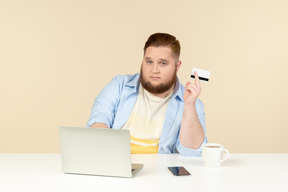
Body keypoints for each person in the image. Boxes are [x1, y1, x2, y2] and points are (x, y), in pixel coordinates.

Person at [87, 33, 207, 157]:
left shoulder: (191, 102)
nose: (154, 70)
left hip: (160, 172)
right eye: (149, 61)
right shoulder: (119, 85)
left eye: (163, 63)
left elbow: (192, 151)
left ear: (177, 66)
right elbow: (98, 121)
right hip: (118, 162)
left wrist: (189, 105)